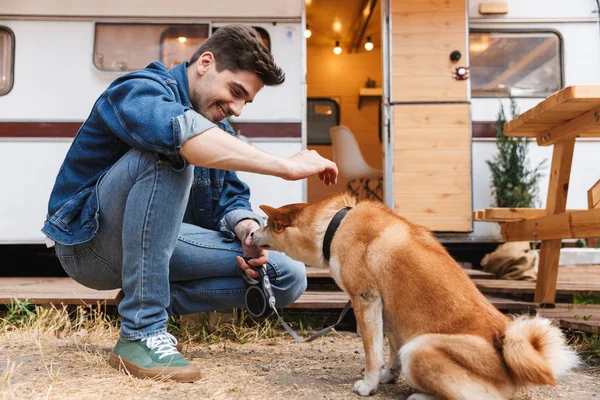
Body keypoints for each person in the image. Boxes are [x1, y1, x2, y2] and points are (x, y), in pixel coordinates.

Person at [42, 24, 338, 382]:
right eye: (235, 91)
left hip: (159, 246)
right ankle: (141, 332)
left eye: (247, 101)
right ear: (206, 62)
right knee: (168, 155)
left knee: (285, 273)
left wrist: (246, 228)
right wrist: (286, 167)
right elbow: (180, 138)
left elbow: (230, 197)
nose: (238, 109)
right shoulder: (138, 89)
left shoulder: (218, 126)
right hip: (90, 247)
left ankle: (148, 301)